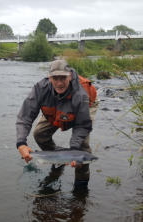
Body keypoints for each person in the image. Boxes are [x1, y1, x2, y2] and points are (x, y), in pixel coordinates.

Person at [16, 59, 96, 188]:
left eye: (63, 78)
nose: (59, 83)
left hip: (82, 111)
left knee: (83, 148)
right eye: (55, 78)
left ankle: (81, 188)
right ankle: (57, 160)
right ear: (49, 77)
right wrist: (21, 143)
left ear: (69, 76)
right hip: (54, 107)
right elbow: (25, 116)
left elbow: (82, 125)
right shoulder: (40, 88)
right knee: (39, 133)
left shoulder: (81, 94)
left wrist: (74, 150)